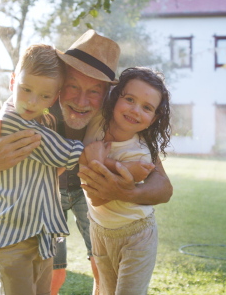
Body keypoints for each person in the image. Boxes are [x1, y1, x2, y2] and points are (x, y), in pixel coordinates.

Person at [0, 30, 173, 295]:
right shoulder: (34, 108)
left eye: (94, 91)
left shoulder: (111, 117)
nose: (81, 101)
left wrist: (128, 191)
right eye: (73, 87)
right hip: (45, 193)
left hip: (87, 189)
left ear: (107, 94)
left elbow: (163, 186)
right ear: (60, 85)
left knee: (100, 266)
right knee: (52, 271)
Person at [0, 44, 85, 295]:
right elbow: (66, 153)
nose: (32, 101)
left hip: (41, 238)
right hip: (12, 238)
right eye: (25, 89)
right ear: (12, 81)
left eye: (45, 96)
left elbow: (51, 169)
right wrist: (97, 150)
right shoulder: (15, 121)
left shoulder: (43, 119)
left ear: (55, 96)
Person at [80, 67, 171, 295]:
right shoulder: (98, 119)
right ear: (115, 95)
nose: (135, 110)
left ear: (154, 118)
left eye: (147, 107)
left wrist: (99, 158)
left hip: (136, 235)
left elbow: (97, 196)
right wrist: (110, 165)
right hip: (100, 231)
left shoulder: (139, 154)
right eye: (129, 99)